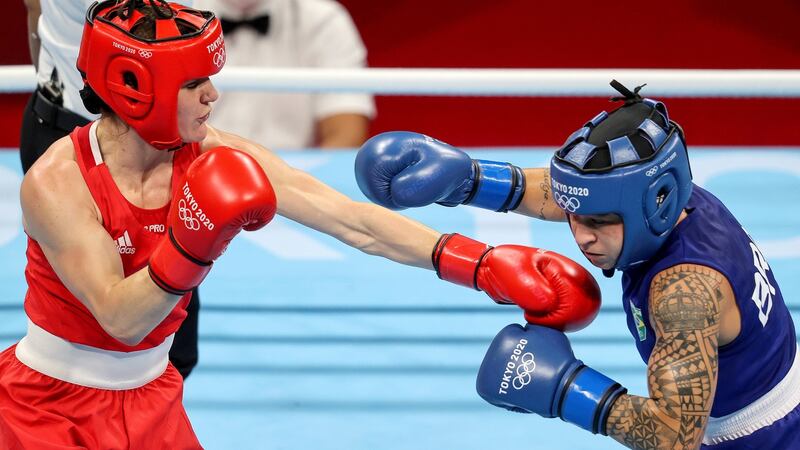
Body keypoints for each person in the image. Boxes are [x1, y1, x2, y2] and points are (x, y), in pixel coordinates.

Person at [0, 1, 604, 447]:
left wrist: (480, 263)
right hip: (48, 410)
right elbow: (120, 318)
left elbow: (350, 220)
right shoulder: (57, 182)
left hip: (152, 400)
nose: (213, 96)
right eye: (193, 83)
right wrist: (195, 241)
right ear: (137, 91)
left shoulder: (212, 153)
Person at [354, 81, 800, 449]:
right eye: (576, 218)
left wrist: (568, 390)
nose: (581, 236)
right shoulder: (676, 198)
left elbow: (673, 436)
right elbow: (566, 194)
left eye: (599, 223)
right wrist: (469, 180)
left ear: (655, 204)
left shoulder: (683, 293)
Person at [20, 0, 202, 380]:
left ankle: (148, 420)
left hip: (158, 134)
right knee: (85, 317)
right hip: (70, 129)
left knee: (170, 330)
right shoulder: (58, 172)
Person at [193, 0, 374, 149]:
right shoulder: (174, 17)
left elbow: (346, 134)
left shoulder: (324, 19)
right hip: (190, 175)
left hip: (294, 176)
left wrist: (303, 185)